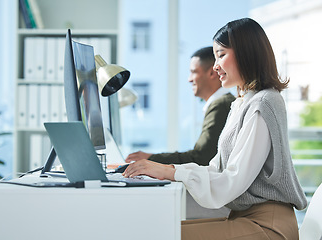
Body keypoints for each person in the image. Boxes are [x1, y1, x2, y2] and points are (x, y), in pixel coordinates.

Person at [123, 18, 307, 239]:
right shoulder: (242, 103)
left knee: (162, 234)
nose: (216, 66)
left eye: (221, 55)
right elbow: (216, 168)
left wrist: (169, 171)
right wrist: (168, 170)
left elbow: (232, 180)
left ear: (246, 52)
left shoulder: (264, 103)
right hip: (245, 218)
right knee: (158, 230)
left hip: (269, 227)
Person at [125, 47, 235, 166]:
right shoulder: (222, 103)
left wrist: (152, 159)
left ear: (212, 73)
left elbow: (201, 158)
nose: (189, 79)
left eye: (194, 72)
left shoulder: (220, 105)